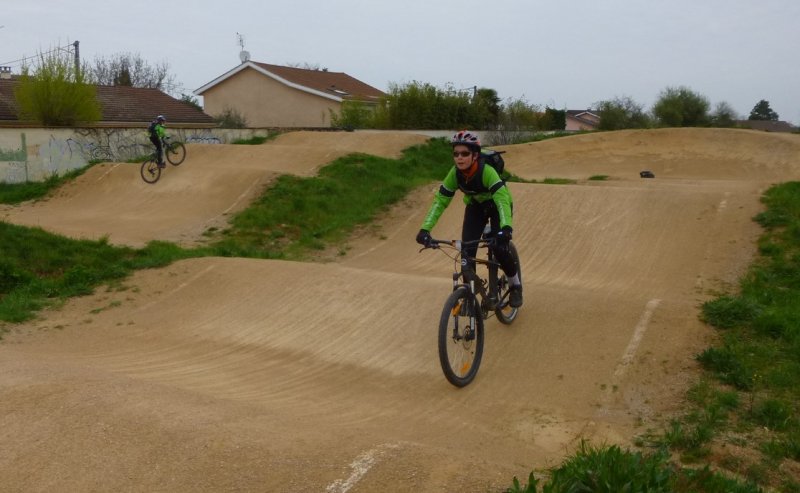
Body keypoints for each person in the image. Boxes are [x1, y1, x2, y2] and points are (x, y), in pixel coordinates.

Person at [416, 130, 523, 307]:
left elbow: (502, 199)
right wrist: (425, 229)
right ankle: (469, 295)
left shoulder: (486, 171)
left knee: (499, 247)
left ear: (474, 155)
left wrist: (506, 227)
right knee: (466, 252)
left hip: (497, 206)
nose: (460, 157)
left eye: (465, 153)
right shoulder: (455, 174)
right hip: (476, 207)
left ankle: (515, 285)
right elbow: (440, 201)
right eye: (456, 154)